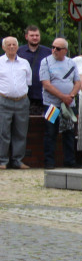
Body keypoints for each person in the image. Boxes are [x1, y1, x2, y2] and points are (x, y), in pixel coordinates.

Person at [39, 37, 80, 168]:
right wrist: (63, 96)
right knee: (50, 132)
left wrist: (71, 95)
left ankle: (70, 161)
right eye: (53, 47)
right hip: (51, 104)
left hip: (69, 105)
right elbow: (46, 84)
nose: (54, 50)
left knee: (69, 132)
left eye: (58, 48)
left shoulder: (71, 63)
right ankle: (49, 162)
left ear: (65, 51)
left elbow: (78, 82)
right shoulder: (45, 62)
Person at [0, 36, 33, 170]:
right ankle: (2, 161)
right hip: (3, 101)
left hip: (22, 101)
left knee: (21, 132)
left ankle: (18, 160)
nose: (12, 47)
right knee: (3, 132)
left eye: (14, 44)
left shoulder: (24, 63)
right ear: (3, 47)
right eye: (9, 45)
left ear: (18, 47)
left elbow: (28, 81)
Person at [17, 25, 51, 116]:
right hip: (25, 96)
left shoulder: (48, 52)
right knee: (26, 123)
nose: (35, 38)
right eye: (32, 35)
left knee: (49, 122)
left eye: (37, 35)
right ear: (26, 37)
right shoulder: (19, 52)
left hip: (45, 96)